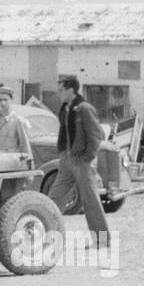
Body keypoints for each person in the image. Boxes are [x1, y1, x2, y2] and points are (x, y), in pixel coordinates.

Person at [52, 76, 111, 241]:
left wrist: (87, 158)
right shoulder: (65, 108)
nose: (59, 94)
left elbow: (96, 136)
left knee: (90, 201)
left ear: (70, 90)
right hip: (67, 161)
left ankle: (102, 240)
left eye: (61, 90)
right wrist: (63, 153)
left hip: (83, 162)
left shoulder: (84, 108)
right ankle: (49, 237)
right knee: (54, 198)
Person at [0, 88, 33, 159]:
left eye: (5, 100)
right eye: (0, 100)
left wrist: (26, 162)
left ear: (11, 100)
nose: (3, 103)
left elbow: (24, 145)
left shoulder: (18, 120)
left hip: (11, 161)